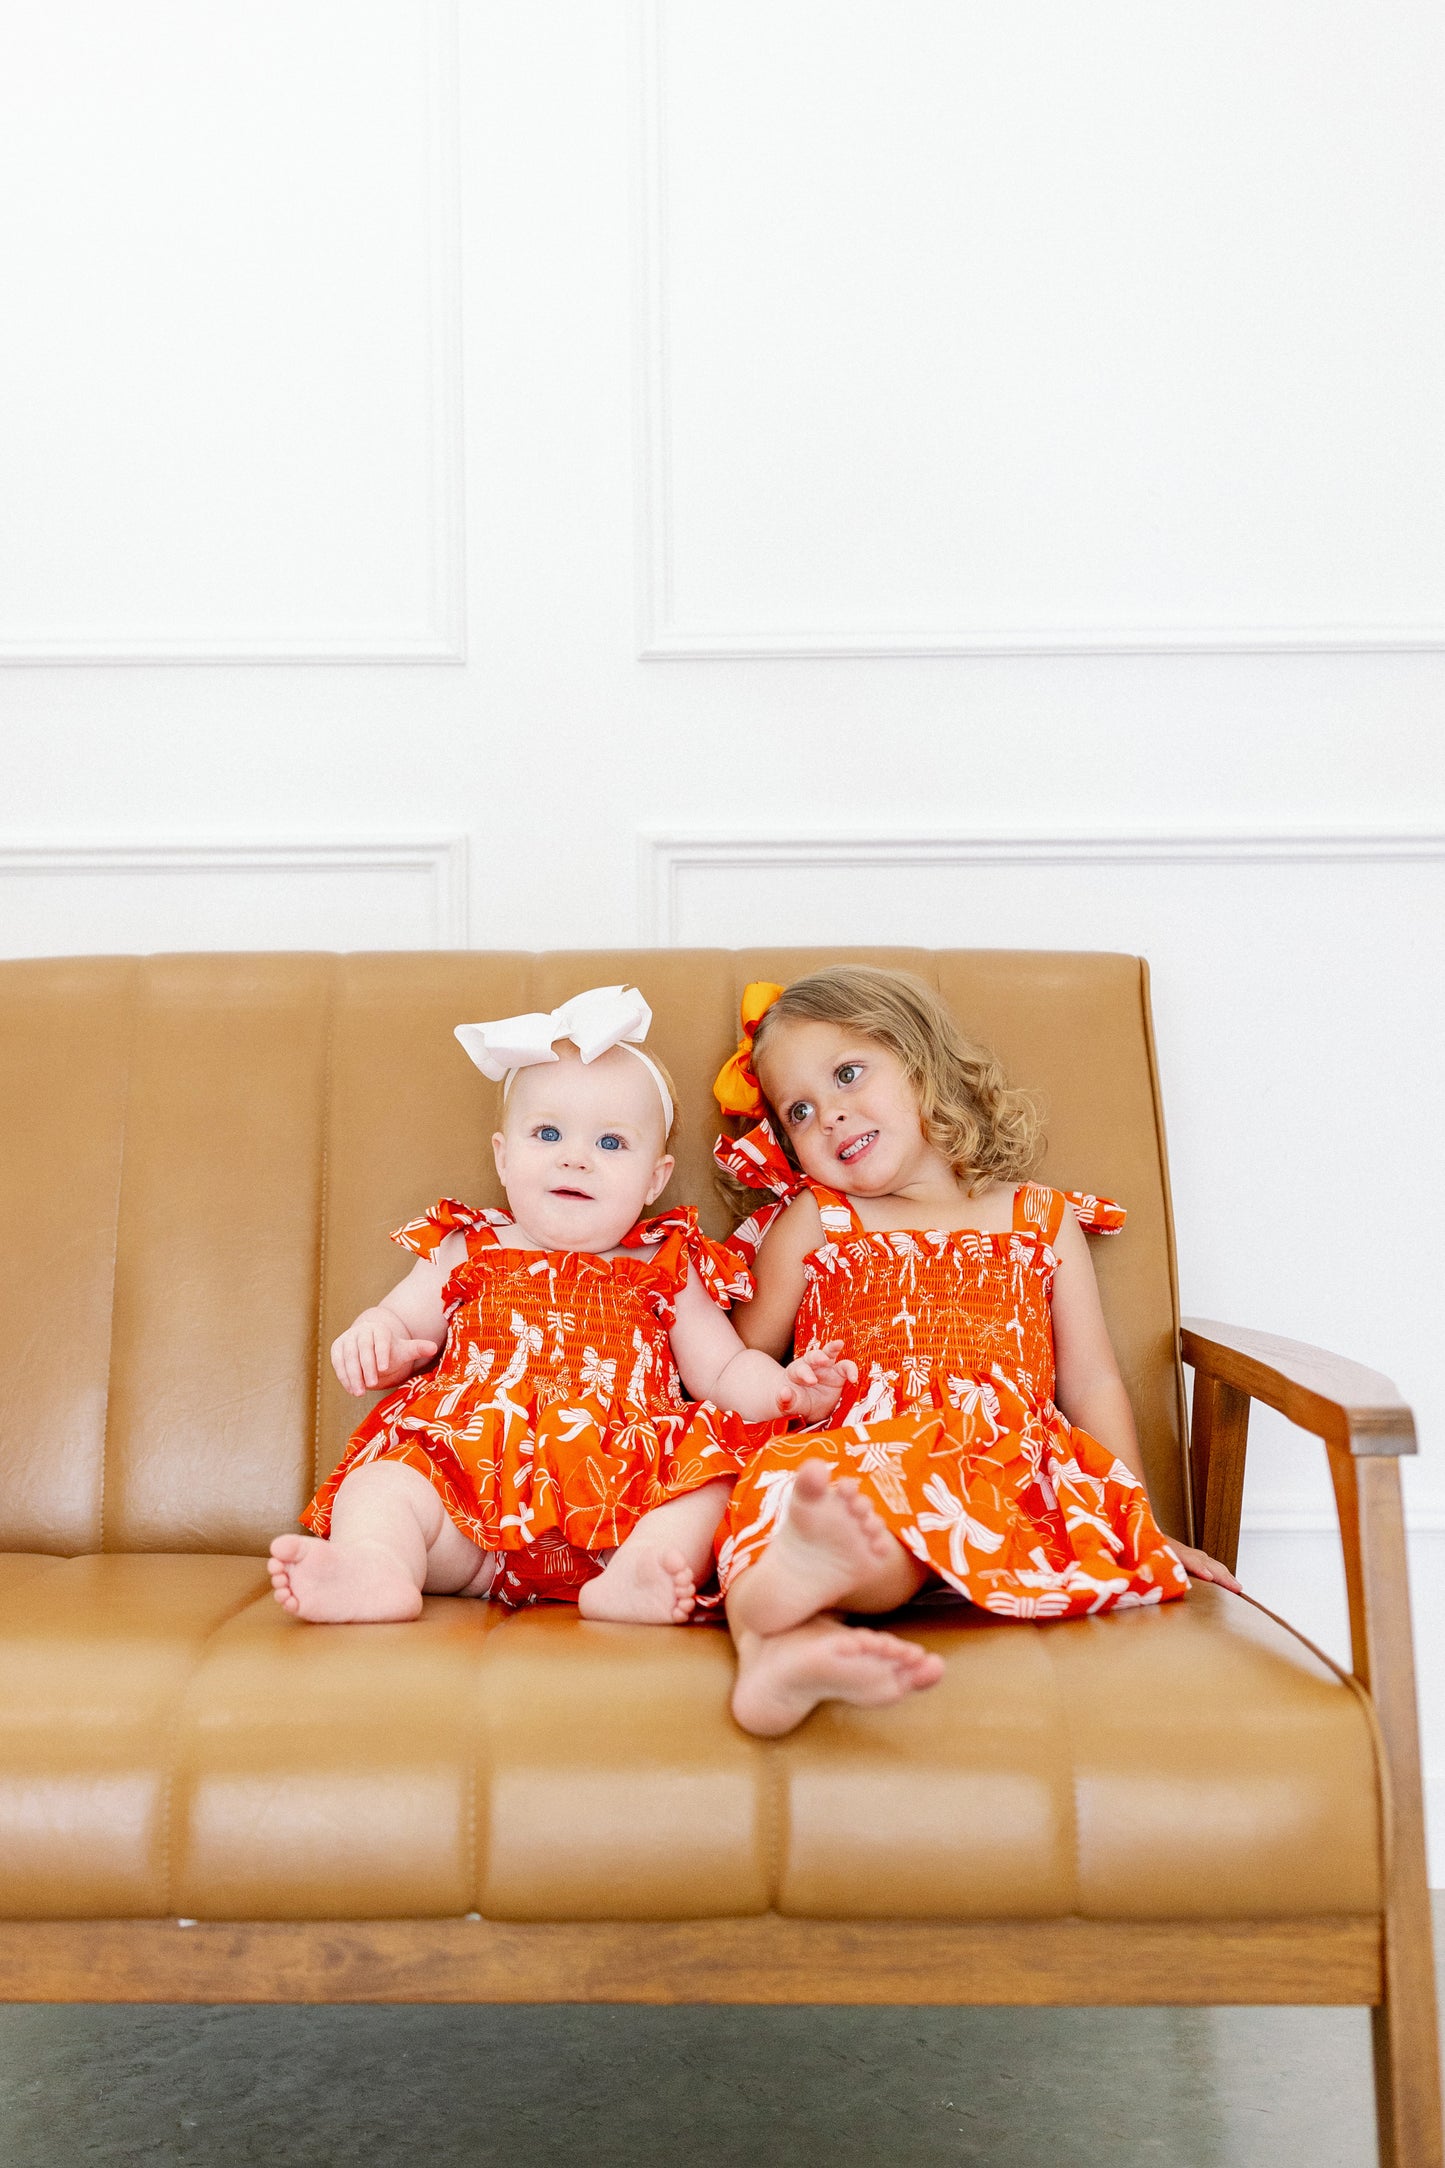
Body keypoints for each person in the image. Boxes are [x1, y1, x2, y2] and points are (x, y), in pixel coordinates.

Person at [709, 967, 1240, 1737]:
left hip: (996, 1469)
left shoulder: (1038, 1216)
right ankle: (781, 1644)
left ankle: (803, 1590)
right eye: (799, 1111)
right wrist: (789, 1387)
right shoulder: (815, 1219)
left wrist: (1140, 1521)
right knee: (794, 1489)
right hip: (849, 1457)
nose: (830, 1116)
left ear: (920, 1063)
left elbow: (1089, 1382)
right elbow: (734, 1365)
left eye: (848, 1074)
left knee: (883, 1513)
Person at [268, 986, 851, 1630]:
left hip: (619, 1510)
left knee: (712, 1484)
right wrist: (376, 1339)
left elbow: (723, 1371)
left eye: (610, 1144)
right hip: (464, 1512)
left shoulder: (666, 1264)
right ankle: (377, 1566)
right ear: (503, 1155)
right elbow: (400, 1320)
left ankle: (638, 1575)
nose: (575, 1156)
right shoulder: (467, 1245)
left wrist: (788, 1391)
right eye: (547, 1133)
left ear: (654, 1180)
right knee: (381, 1484)